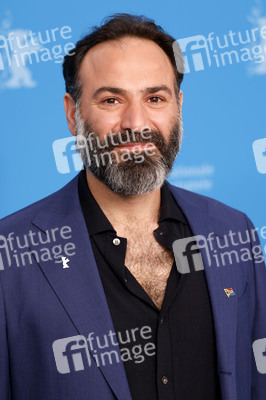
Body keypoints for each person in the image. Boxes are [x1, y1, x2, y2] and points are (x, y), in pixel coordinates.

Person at [0, 13, 265, 400]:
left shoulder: (232, 231)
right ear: (73, 114)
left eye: (155, 98)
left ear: (178, 106)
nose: (136, 123)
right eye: (111, 99)